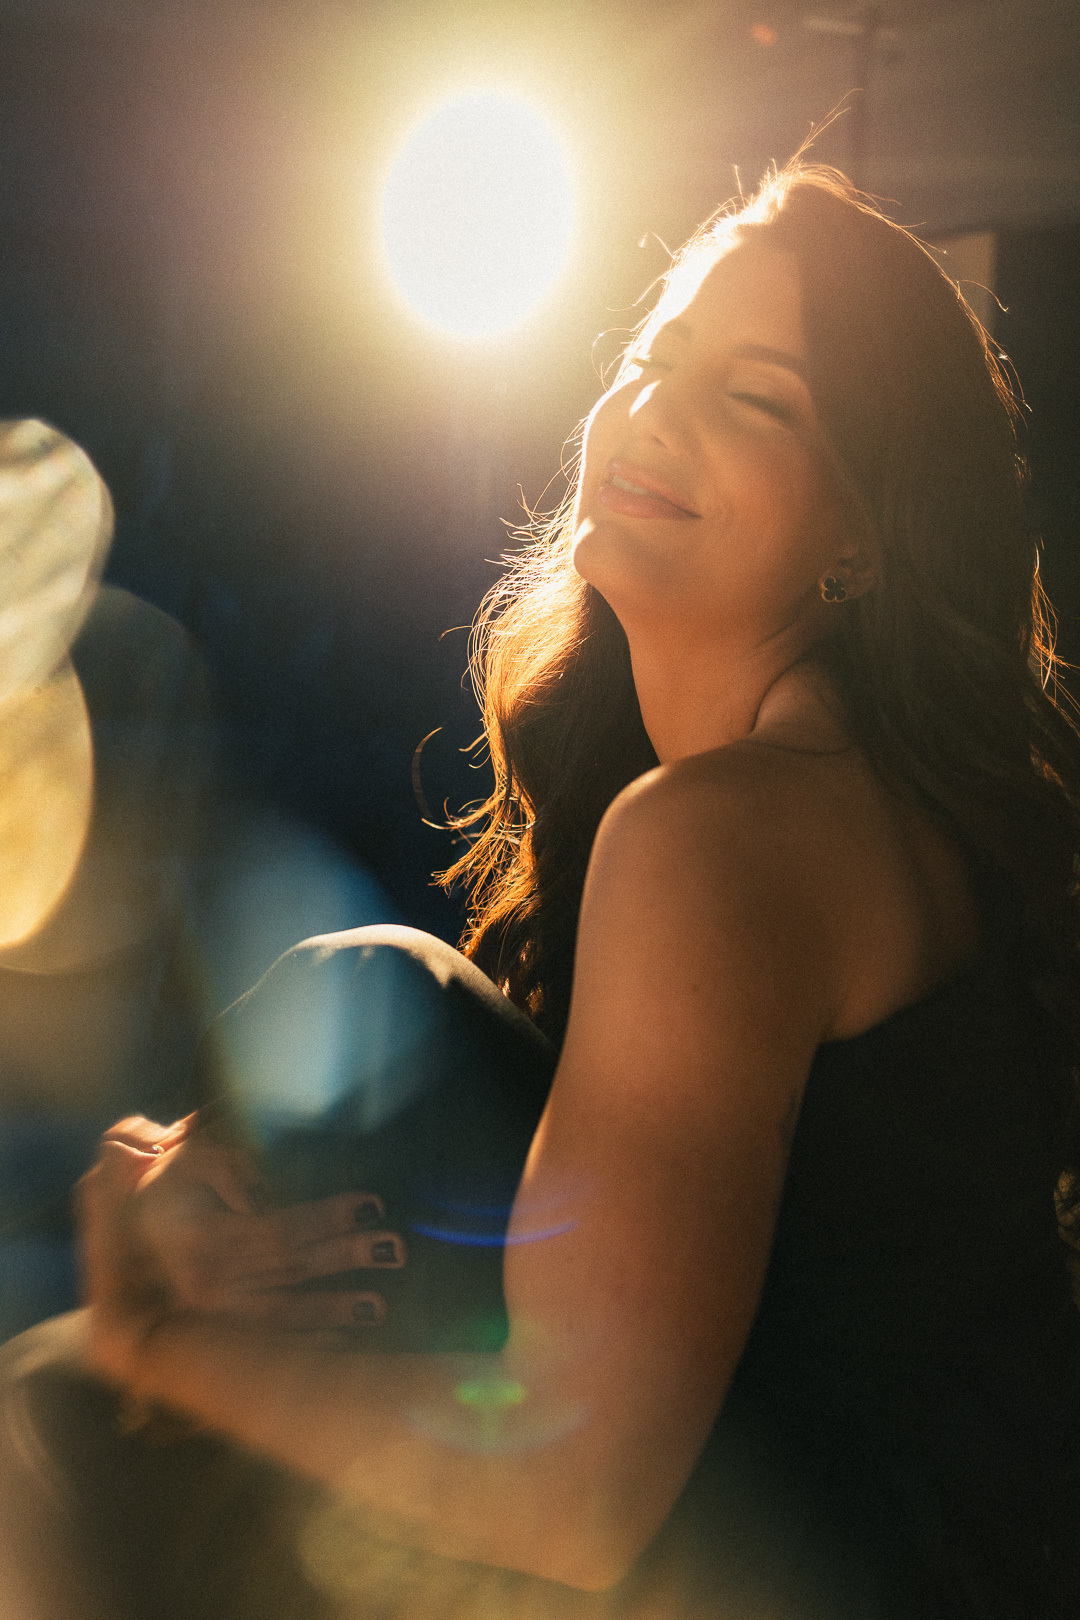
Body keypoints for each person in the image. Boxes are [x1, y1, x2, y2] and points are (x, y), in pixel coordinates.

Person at [6, 159, 1080, 1620]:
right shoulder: (847, 813)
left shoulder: (726, 838)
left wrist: (165, 1350)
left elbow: (578, 1494)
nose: (659, 410)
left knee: (72, 1393)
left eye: (756, 399)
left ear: (865, 536)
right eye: (655, 355)